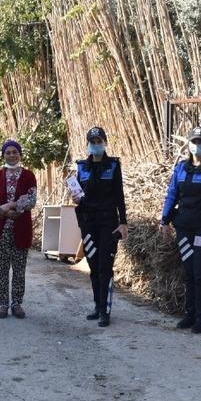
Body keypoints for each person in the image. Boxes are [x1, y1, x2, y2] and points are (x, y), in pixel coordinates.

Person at [160, 126, 201, 333]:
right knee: (188, 272)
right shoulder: (180, 168)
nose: (197, 145)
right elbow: (172, 195)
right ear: (188, 145)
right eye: (194, 142)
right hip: (183, 227)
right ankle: (190, 314)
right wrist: (164, 221)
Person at [72, 127, 128, 327]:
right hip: (88, 223)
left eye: (99, 141)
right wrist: (75, 197)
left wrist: (123, 222)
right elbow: (78, 195)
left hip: (108, 223)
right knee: (94, 267)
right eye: (92, 141)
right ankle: (97, 306)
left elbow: (119, 195)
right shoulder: (81, 167)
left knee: (106, 267)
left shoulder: (113, 165)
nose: (95, 144)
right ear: (87, 144)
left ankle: (106, 309)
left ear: (104, 142)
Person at [0, 140, 37, 319]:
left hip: (21, 230)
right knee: (2, 269)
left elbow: (31, 200)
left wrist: (13, 205)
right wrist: (4, 213)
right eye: (8, 152)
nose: (12, 155)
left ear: (20, 154)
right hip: (1, 230)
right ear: (3, 155)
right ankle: (3, 304)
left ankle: (17, 304)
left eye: (15, 152)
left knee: (19, 269)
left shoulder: (29, 175)